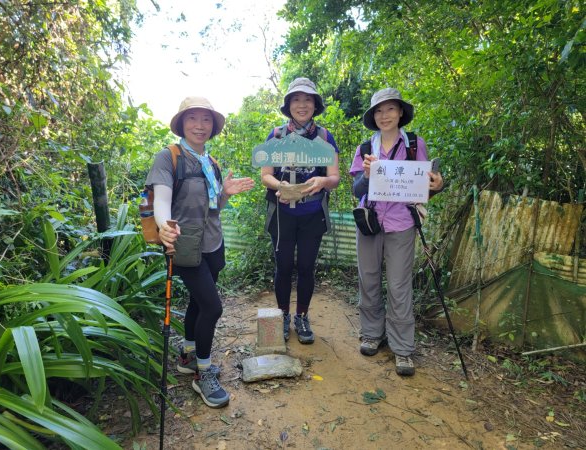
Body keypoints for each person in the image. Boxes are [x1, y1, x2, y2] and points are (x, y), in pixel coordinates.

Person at [145, 96, 254, 408]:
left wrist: (225, 195)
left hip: (213, 244)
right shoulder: (169, 158)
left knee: (198, 302)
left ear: (213, 125)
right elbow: (162, 199)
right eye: (193, 118)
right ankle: (203, 374)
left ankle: (188, 356)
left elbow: (212, 207)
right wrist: (163, 224)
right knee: (213, 307)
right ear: (182, 123)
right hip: (186, 246)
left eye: (206, 119)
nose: (200, 125)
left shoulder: (211, 164)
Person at [349, 87, 444, 376]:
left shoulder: (414, 145)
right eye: (378, 110)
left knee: (400, 286)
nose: (384, 115)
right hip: (370, 222)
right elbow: (356, 191)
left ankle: (402, 348)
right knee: (369, 279)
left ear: (401, 112)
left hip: (402, 223)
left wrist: (438, 186)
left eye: (390, 109)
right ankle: (371, 334)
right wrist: (366, 176)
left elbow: (424, 187)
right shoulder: (366, 149)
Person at [261, 77, 340, 344]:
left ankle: (302, 316)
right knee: (283, 266)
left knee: (306, 267)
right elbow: (266, 176)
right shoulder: (276, 135)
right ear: (289, 105)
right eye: (296, 99)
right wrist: (280, 184)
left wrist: (323, 182)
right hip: (282, 213)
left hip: (312, 213)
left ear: (315, 105)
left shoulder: (324, 137)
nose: (302, 105)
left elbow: (334, 177)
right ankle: (282, 315)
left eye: (307, 100)